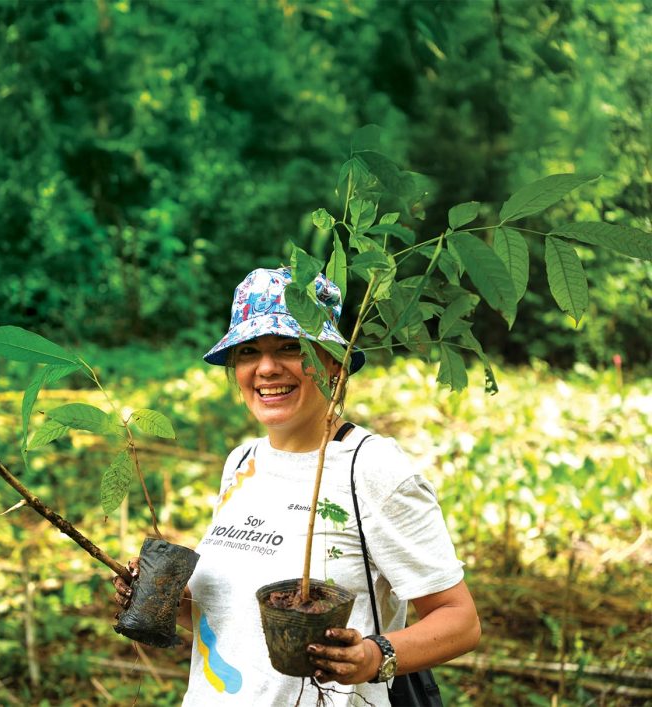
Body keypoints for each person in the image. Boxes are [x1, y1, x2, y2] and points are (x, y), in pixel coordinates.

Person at [113, 267, 480, 706]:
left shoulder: (371, 468)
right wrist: (163, 599)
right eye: (249, 352)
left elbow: (460, 621)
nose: (267, 368)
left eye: (290, 347)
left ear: (334, 363)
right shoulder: (242, 463)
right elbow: (236, 624)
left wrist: (373, 657)